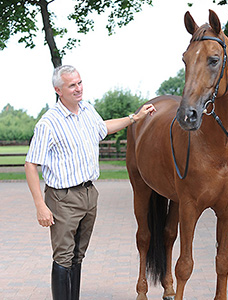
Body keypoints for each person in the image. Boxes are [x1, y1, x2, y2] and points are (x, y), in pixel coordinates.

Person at [24, 65, 156, 300]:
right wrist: (40, 206)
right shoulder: (49, 123)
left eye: (80, 82)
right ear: (58, 90)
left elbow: (102, 127)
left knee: (77, 255)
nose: (78, 88)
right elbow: (31, 164)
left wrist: (134, 118)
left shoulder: (87, 110)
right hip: (63, 197)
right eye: (71, 85)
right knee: (63, 256)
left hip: (88, 194)